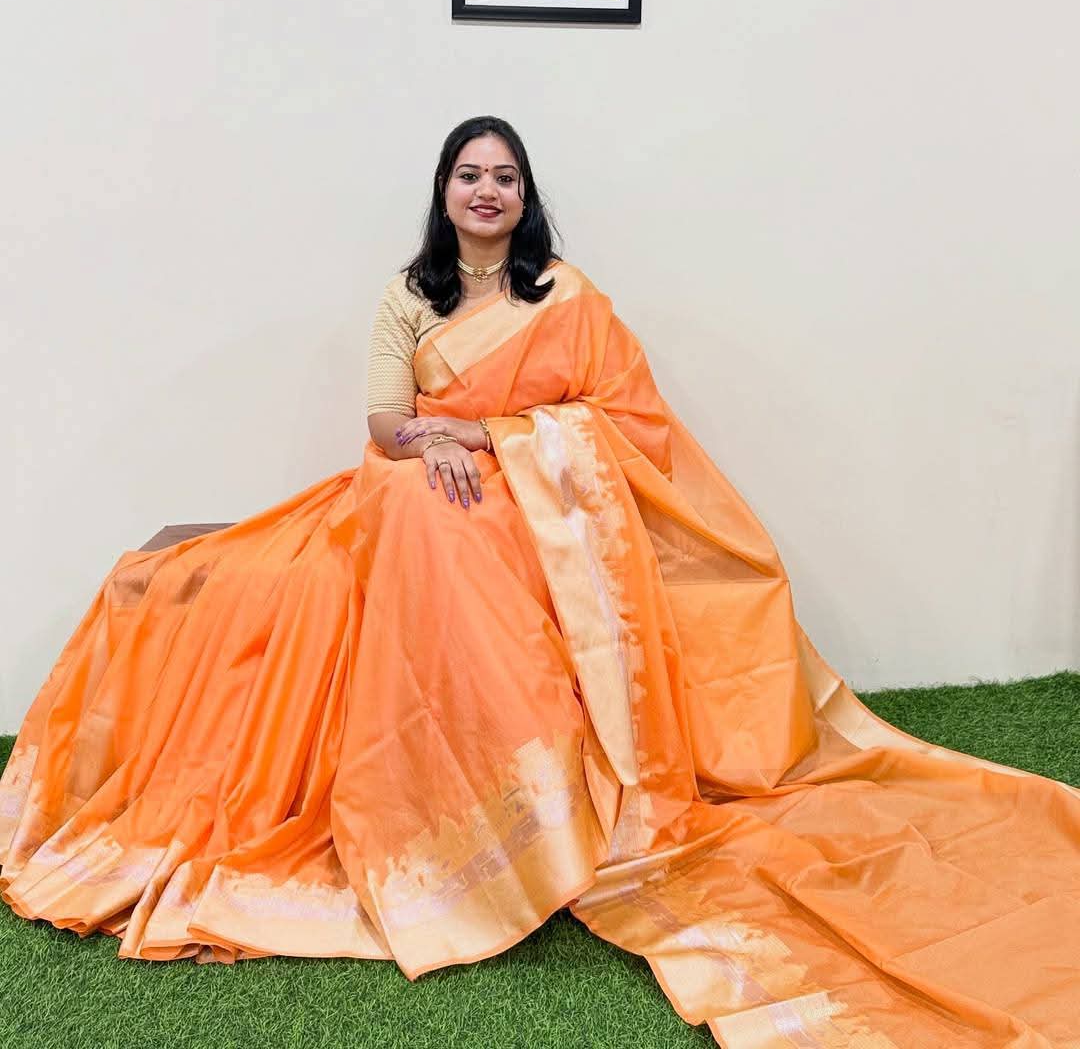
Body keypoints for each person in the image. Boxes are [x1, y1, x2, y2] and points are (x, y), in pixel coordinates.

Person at [1, 114, 1077, 1047]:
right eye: (469, 173)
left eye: (504, 175)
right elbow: (382, 424)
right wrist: (437, 442)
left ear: (526, 198)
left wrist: (496, 434)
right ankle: (478, 806)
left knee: (459, 518)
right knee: (427, 512)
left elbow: (630, 422)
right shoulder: (407, 297)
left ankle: (542, 800)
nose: (486, 189)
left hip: (547, 510)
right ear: (444, 192)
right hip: (433, 488)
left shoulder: (566, 295)